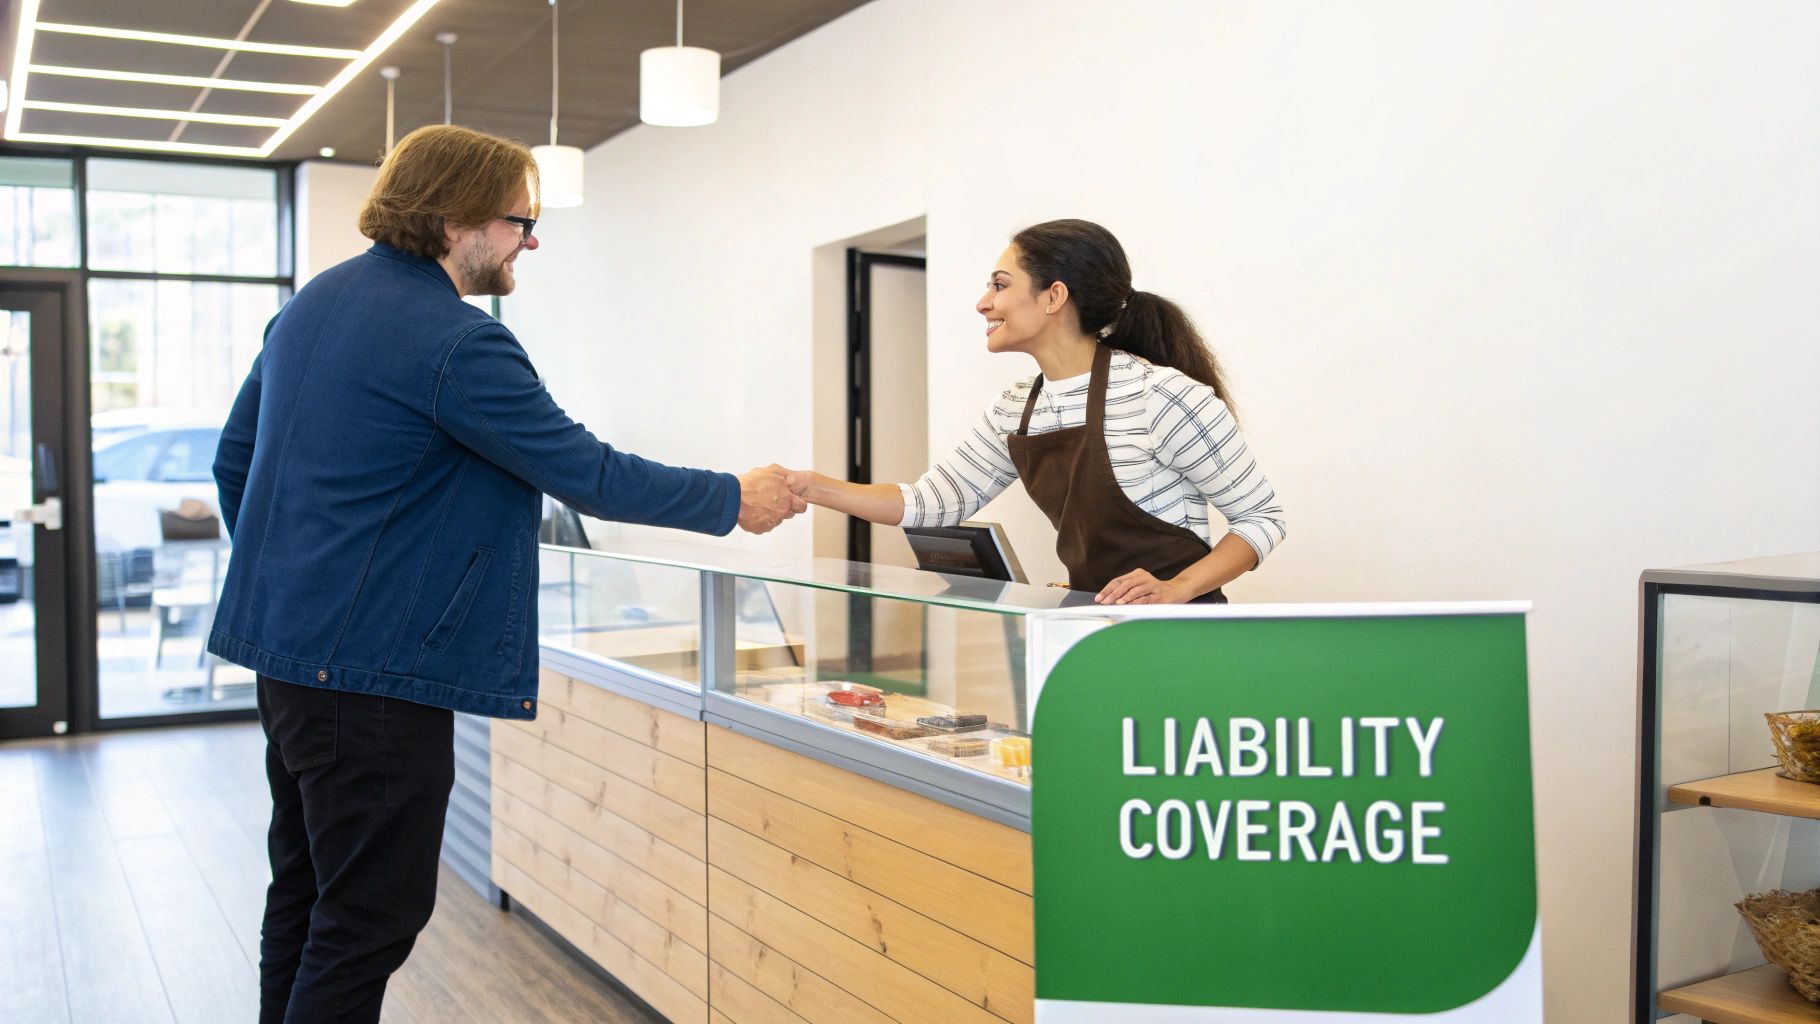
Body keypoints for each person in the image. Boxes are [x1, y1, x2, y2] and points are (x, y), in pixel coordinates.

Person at [208, 125, 803, 1024]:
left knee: (307, 889)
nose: (532, 242)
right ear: (457, 219)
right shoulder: (457, 341)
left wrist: (302, 580)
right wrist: (735, 497)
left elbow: (234, 461)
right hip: (373, 680)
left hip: (287, 662)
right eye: (521, 221)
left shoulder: (313, 304)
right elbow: (588, 473)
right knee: (371, 913)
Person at [789, 219, 1285, 604]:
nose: (984, 303)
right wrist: (811, 486)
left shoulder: (1161, 395)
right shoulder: (1014, 408)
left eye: (1000, 285)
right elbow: (932, 502)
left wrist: (1178, 587)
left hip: (1180, 639)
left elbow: (1262, 519)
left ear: (1055, 296)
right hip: (1090, 631)